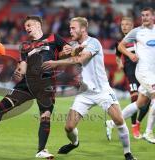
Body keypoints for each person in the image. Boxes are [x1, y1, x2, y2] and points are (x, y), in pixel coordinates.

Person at [0, 15, 70, 159]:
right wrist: (19, 70)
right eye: (25, 27)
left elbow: (69, 50)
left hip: (46, 83)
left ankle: (41, 150)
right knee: (0, 108)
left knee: (45, 116)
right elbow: (23, 65)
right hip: (27, 84)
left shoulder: (54, 38)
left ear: (37, 25)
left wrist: (72, 51)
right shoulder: (25, 46)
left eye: (29, 25)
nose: (26, 28)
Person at [42, 17, 136, 160]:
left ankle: (128, 153)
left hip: (102, 91)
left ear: (83, 29)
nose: (70, 31)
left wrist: (56, 62)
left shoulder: (94, 43)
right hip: (84, 93)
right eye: (70, 28)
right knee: (68, 127)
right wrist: (66, 52)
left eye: (73, 28)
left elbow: (80, 59)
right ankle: (74, 143)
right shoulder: (73, 43)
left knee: (119, 121)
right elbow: (63, 53)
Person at [106, 7, 155, 144]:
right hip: (142, 72)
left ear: (153, 16)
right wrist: (130, 55)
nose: (144, 17)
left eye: (147, 15)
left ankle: (112, 123)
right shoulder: (137, 32)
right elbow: (120, 46)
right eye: (142, 15)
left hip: (153, 72)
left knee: (140, 103)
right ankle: (148, 132)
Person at [115, 17, 149, 139]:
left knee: (146, 101)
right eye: (122, 24)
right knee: (134, 98)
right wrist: (119, 63)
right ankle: (134, 125)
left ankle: (138, 123)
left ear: (132, 25)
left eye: (127, 24)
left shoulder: (140, 38)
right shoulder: (120, 42)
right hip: (131, 73)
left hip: (145, 73)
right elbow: (118, 56)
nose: (124, 26)